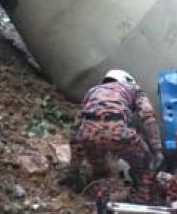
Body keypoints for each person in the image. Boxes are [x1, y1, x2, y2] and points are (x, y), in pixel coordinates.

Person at [69, 70, 164, 203]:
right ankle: (142, 198)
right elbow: (148, 116)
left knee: (100, 171)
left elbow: (77, 123)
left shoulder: (93, 91)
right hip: (117, 130)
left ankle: (100, 199)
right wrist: (157, 148)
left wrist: (74, 168)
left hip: (89, 133)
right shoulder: (133, 88)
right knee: (146, 165)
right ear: (126, 80)